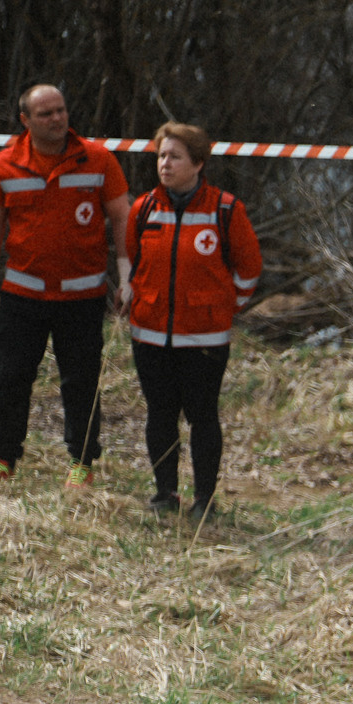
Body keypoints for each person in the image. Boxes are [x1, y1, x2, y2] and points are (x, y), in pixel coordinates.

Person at [0, 84, 129, 487]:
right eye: (46, 114)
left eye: (61, 110)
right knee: (10, 379)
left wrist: (127, 276)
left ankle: (82, 463)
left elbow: (122, 218)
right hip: (22, 296)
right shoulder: (6, 164)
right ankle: (2, 459)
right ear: (25, 120)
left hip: (82, 297)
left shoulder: (98, 159)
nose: (57, 118)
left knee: (81, 383)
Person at [122, 123, 263, 520]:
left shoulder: (225, 210)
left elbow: (250, 267)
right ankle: (165, 494)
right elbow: (133, 259)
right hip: (150, 335)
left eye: (175, 157)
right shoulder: (144, 208)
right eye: (161, 156)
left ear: (198, 163)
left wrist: (225, 305)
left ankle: (204, 499)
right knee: (160, 415)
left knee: (203, 417)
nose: (165, 164)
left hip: (204, 338)